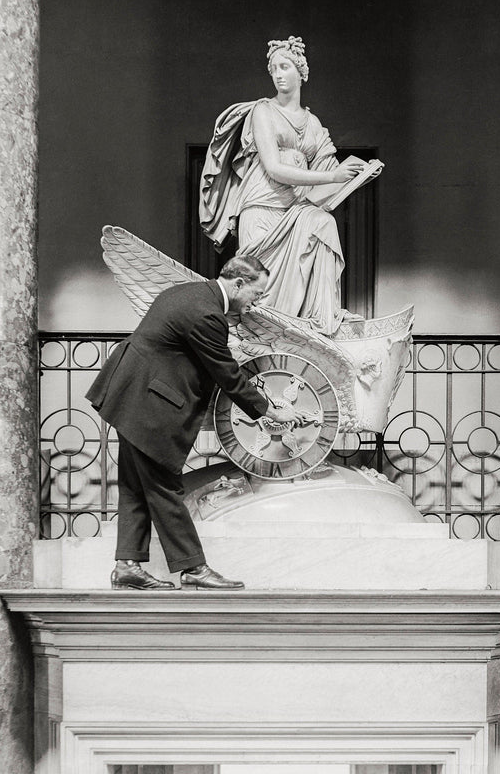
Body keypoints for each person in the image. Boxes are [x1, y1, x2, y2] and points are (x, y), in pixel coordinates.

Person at [86, 256, 296, 589]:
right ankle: (194, 568)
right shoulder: (208, 314)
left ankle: (128, 566)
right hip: (148, 404)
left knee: (135, 485)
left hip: (131, 396)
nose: (258, 302)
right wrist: (270, 410)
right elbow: (225, 373)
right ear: (239, 283)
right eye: (257, 293)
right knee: (163, 486)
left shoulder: (188, 293)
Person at [199, 36, 365, 335]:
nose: (277, 73)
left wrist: (354, 176)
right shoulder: (263, 111)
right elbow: (275, 169)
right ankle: (262, 341)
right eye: (273, 68)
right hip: (262, 207)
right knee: (259, 289)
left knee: (324, 223)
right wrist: (334, 176)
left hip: (295, 209)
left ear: (301, 71)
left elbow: (320, 193)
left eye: (284, 66)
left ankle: (322, 318)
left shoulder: (313, 124)